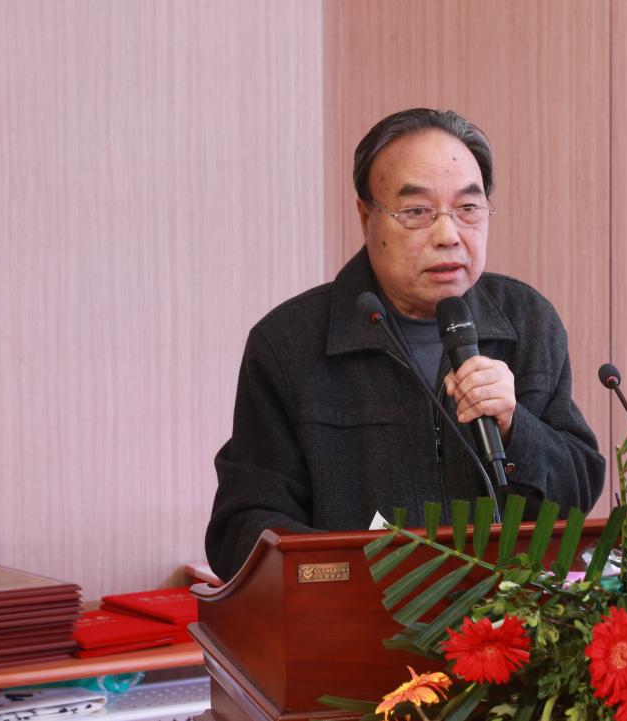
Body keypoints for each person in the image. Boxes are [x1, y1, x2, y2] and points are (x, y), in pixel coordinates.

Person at [205, 108, 605, 581]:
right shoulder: (289, 343)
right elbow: (243, 525)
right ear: (366, 216)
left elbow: (577, 495)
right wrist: (357, 577)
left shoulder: (528, 322)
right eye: (417, 212)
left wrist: (516, 427)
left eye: (468, 209)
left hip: (507, 619)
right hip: (357, 617)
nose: (448, 236)